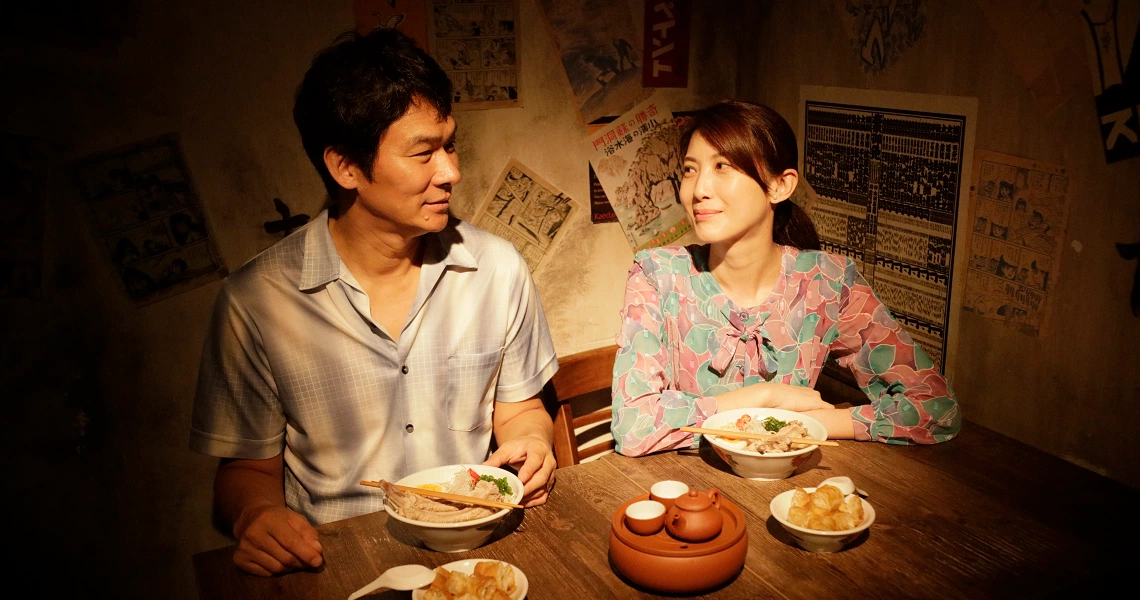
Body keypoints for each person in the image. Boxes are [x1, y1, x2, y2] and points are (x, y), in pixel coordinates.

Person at [190, 29, 558, 577]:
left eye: (450, 144)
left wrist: (531, 444)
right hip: (339, 564)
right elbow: (247, 468)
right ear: (345, 167)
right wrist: (257, 514)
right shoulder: (258, 300)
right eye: (423, 153)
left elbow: (523, 409)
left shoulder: (497, 269)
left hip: (479, 550)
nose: (451, 172)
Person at [611, 100, 960, 457]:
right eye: (689, 170)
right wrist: (768, 397)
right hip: (690, 496)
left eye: (722, 166)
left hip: (793, 492)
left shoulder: (827, 283)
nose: (698, 189)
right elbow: (633, 426)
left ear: (780, 185)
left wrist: (811, 427)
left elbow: (936, 409)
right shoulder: (658, 275)